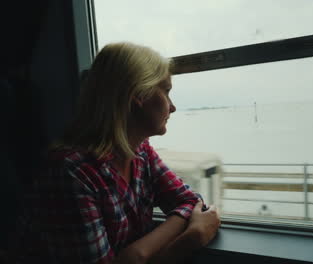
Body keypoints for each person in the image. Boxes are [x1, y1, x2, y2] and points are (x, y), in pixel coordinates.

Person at [10, 42, 221, 263]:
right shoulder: (71, 173)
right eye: (166, 91)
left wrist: (137, 253)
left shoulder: (141, 151)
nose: (172, 106)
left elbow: (189, 201)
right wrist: (189, 240)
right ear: (138, 94)